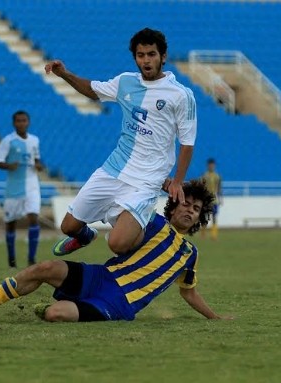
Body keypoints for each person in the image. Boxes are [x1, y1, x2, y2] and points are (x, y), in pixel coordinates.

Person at [0, 179, 232, 322]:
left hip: (119, 302)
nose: (190, 210)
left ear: (199, 220)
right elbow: (120, 228)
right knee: (45, 267)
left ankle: (58, 308)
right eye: (186, 204)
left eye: (196, 210)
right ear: (174, 205)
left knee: (56, 314)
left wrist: (215, 317)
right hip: (102, 276)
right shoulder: (149, 220)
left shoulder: (189, 253)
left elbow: (189, 293)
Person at [44, 27, 197, 257]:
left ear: (163, 57)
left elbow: (187, 142)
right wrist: (65, 74)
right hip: (113, 169)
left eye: (151, 54)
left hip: (146, 180)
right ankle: (86, 236)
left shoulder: (181, 95)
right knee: (68, 227)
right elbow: (93, 90)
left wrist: (177, 181)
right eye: (141, 55)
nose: (146, 60)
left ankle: (149, 228)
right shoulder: (125, 82)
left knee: (117, 244)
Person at [0, 110, 44, 268]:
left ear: (28, 122)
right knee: (11, 223)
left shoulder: (35, 140)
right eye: (18, 121)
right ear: (14, 123)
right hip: (14, 187)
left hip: (32, 185)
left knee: (34, 217)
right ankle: (12, 258)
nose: (21, 123)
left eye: (24, 120)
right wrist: (9, 165)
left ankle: (31, 258)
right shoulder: (8, 141)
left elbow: (37, 159)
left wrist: (39, 165)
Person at [201, 158, 222, 240]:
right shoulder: (204, 176)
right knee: (204, 217)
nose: (211, 166)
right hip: (206, 200)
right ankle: (203, 234)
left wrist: (220, 198)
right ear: (207, 166)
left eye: (212, 165)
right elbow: (201, 188)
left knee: (214, 217)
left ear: (214, 166)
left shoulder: (217, 176)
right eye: (210, 165)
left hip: (214, 200)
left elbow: (219, 188)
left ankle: (214, 235)